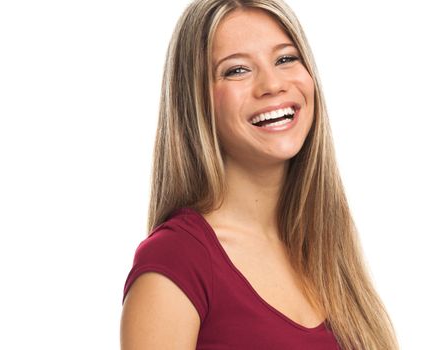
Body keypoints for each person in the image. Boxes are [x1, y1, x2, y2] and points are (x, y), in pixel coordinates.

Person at [120, 0, 400, 349]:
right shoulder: (176, 260)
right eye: (237, 70)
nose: (272, 84)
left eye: (285, 59)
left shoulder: (325, 247)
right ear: (195, 101)